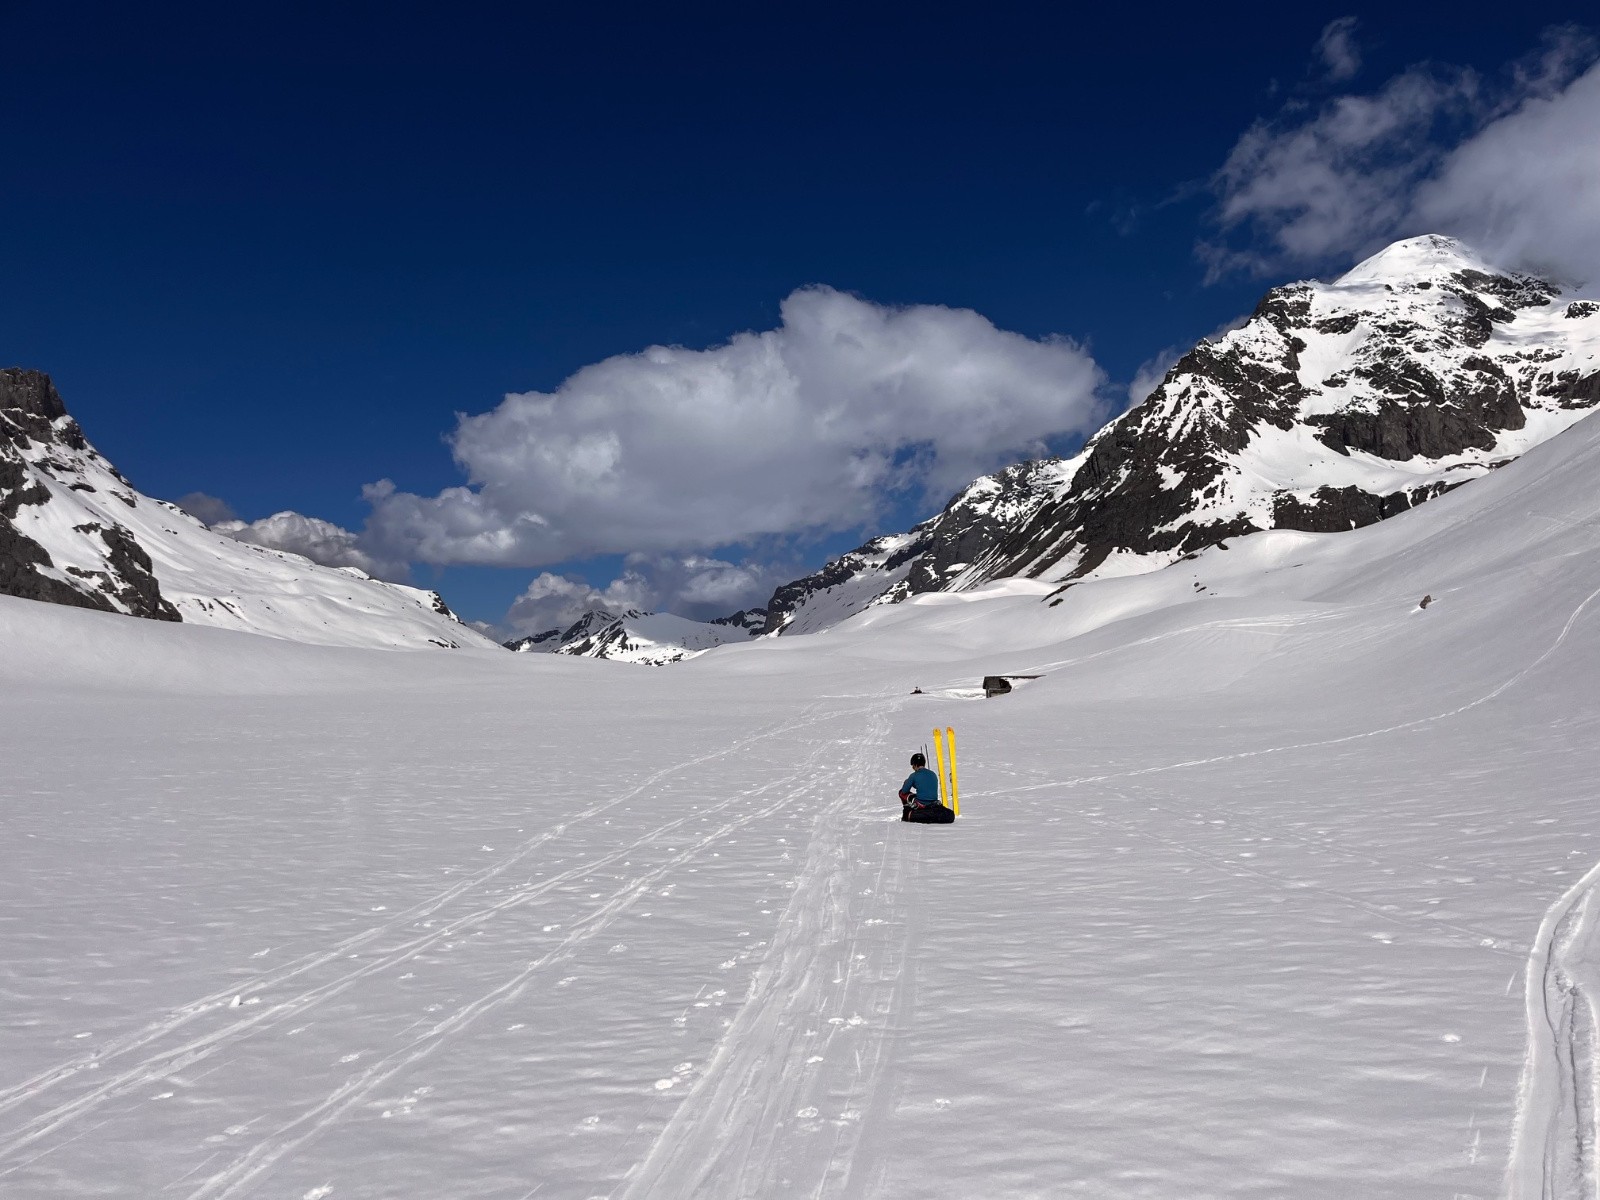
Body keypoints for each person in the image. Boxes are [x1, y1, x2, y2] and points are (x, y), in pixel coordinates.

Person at [898, 752, 955, 824]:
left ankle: (907, 812)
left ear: (915, 765)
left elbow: (904, 791)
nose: (913, 768)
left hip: (921, 805)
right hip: (934, 804)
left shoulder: (913, 775)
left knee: (901, 793)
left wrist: (906, 783)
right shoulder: (933, 774)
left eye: (913, 766)